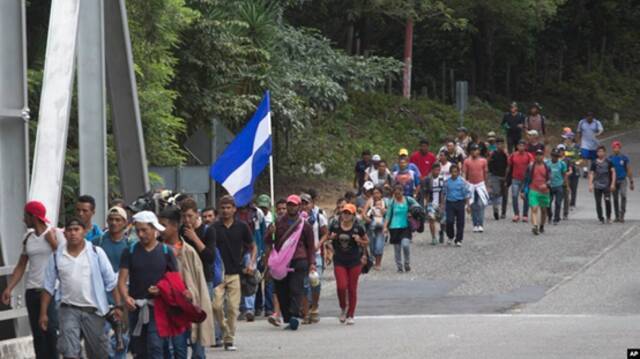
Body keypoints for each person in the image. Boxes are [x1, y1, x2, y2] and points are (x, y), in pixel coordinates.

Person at [40, 217, 118, 359]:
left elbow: (111, 282)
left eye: (76, 230)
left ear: (83, 232)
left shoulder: (96, 253)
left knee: (98, 353)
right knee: (69, 352)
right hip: (68, 309)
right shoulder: (57, 256)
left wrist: (119, 306)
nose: (73, 233)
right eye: (69, 230)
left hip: (94, 311)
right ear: (64, 234)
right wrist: (43, 313)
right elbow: (48, 286)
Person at [2, 201, 64, 359]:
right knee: (38, 335)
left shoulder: (55, 233)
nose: (23, 220)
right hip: (32, 291)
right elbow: (21, 265)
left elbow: (65, 259)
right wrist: (9, 288)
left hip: (50, 291)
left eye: (25, 216)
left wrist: (52, 243)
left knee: (51, 332)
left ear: (34, 217)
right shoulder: (28, 237)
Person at [118, 211, 179, 358]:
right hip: (136, 307)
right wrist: (126, 298)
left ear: (154, 229)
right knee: (139, 350)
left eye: (144, 230)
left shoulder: (166, 252)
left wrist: (161, 289)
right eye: (138, 230)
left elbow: (176, 282)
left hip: (158, 307)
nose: (140, 234)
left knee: (155, 346)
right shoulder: (130, 251)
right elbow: (121, 280)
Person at [158, 207, 214, 359]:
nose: (160, 230)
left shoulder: (188, 251)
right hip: (165, 307)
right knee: (170, 349)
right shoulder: (156, 250)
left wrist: (191, 294)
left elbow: (198, 282)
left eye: (163, 225)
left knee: (193, 348)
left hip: (187, 307)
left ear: (175, 226)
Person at [210, 195, 256, 350]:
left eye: (228, 207)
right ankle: (225, 331)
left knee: (232, 308)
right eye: (222, 208)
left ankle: (229, 340)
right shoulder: (213, 228)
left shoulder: (242, 227)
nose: (225, 210)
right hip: (218, 275)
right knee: (216, 306)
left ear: (234, 209)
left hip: (235, 274)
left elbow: (252, 246)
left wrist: (251, 263)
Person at [268, 195, 315, 331]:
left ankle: (294, 316)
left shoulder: (304, 225)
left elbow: (310, 245)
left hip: (299, 259)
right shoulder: (277, 222)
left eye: (294, 205)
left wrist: (311, 262)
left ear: (299, 206)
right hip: (281, 261)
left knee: (296, 289)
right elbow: (269, 240)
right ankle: (287, 317)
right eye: (289, 205)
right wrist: (270, 233)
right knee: (282, 290)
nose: (291, 207)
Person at [95, 206, 135, 358]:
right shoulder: (97, 243)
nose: (114, 223)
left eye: (118, 220)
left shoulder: (130, 245)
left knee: (121, 340)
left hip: (123, 298)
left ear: (125, 223)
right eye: (111, 219)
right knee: (102, 338)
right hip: (101, 300)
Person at [320, 204, 368, 325]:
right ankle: (343, 307)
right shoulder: (335, 226)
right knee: (341, 286)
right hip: (339, 260)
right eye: (344, 213)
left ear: (353, 215)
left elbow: (367, 241)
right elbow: (327, 237)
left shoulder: (358, 227)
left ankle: (351, 314)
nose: (346, 215)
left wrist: (359, 240)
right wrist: (330, 238)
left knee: (352, 288)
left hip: (354, 261)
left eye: (349, 213)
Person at [300, 193, 328, 325]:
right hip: (302, 254)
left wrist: (319, 244)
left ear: (312, 204)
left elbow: (325, 233)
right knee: (304, 284)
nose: (304, 206)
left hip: (315, 254)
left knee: (315, 281)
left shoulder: (318, 217)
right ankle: (306, 310)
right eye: (302, 203)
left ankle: (314, 307)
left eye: (307, 203)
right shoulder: (297, 218)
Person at [383, 184, 419, 272]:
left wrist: (412, 212)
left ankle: (407, 263)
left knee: (405, 245)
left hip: (405, 226)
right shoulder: (392, 202)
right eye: (395, 194)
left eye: (399, 193)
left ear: (402, 192)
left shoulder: (408, 199)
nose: (397, 195)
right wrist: (385, 227)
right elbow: (388, 215)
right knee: (397, 249)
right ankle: (399, 266)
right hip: (394, 227)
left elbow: (418, 207)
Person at [522, 149, 551, 235]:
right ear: (535, 156)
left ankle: (541, 225)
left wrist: (546, 185)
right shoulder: (531, 166)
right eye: (537, 155)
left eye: (541, 155)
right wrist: (523, 191)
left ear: (543, 156)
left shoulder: (547, 167)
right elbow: (526, 179)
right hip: (533, 190)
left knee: (544, 210)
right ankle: (535, 226)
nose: (539, 157)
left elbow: (550, 179)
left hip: (544, 191)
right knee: (534, 208)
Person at [442, 165, 470, 246]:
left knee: (460, 222)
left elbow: (466, 194)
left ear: (458, 172)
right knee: (449, 221)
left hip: (460, 202)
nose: (454, 173)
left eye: (456, 172)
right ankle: (450, 236)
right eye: (452, 172)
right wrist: (442, 204)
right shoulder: (447, 182)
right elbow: (443, 193)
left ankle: (459, 239)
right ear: (450, 172)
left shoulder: (462, 182)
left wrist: (468, 205)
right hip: (450, 203)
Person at [463, 144, 489, 233]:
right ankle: (475, 224)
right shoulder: (466, 161)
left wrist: (486, 185)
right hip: (471, 184)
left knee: (481, 204)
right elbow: (464, 174)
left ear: (479, 151)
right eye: (473, 150)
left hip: (481, 184)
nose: (475, 152)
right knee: (473, 205)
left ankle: (480, 224)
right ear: (470, 152)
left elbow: (485, 173)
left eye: (476, 150)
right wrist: (465, 185)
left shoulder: (483, 161)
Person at [507, 140, 534, 222]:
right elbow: (509, 165)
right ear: (517, 146)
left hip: (525, 180)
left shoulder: (529, 155)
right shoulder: (513, 155)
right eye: (520, 145)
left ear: (525, 147)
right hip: (515, 178)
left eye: (523, 145)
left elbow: (532, 166)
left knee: (526, 197)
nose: (521, 147)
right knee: (514, 196)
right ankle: (516, 214)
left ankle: (525, 215)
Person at [589, 146, 616, 224]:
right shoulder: (594, 162)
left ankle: (608, 217)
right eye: (598, 152)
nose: (600, 153)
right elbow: (591, 173)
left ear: (604, 152)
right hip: (597, 185)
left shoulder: (609, 161)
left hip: (606, 185)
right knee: (598, 202)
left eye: (601, 151)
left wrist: (613, 183)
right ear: (597, 153)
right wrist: (590, 184)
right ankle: (601, 218)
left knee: (607, 201)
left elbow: (613, 172)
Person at [609, 141, 634, 223]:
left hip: (622, 179)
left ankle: (622, 214)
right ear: (612, 148)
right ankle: (617, 216)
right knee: (615, 198)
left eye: (618, 147)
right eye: (614, 147)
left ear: (620, 148)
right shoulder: (610, 158)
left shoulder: (624, 158)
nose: (616, 149)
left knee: (623, 195)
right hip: (614, 180)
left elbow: (629, 169)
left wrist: (631, 181)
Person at [362, 186, 387, 269]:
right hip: (371, 226)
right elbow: (364, 214)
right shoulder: (370, 201)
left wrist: (384, 212)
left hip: (382, 226)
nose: (376, 195)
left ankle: (378, 263)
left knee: (379, 245)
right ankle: (373, 258)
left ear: (381, 194)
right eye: (374, 193)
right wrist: (370, 220)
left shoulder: (385, 202)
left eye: (378, 193)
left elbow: (389, 214)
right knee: (372, 245)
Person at [577, 112, 604, 176]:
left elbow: (601, 130)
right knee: (584, 157)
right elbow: (579, 132)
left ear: (593, 117)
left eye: (591, 117)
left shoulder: (597, 123)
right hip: (585, 143)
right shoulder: (582, 122)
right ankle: (585, 171)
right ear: (586, 117)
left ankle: (592, 171)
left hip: (594, 144)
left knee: (593, 159)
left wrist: (598, 134)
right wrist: (578, 142)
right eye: (588, 117)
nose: (589, 118)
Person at [424, 163, 446, 245]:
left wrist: (443, 204)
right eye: (435, 170)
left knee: (443, 221)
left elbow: (444, 192)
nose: (437, 172)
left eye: (438, 170)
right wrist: (426, 203)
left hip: (441, 203)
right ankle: (433, 237)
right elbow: (425, 193)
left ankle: (441, 232)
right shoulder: (427, 180)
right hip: (431, 203)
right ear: (432, 170)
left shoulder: (442, 179)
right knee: (431, 219)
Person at [488, 138, 509, 220]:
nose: (499, 146)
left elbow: (508, 165)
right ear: (496, 145)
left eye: (501, 144)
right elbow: (488, 163)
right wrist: (490, 176)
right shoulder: (493, 153)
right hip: (495, 176)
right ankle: (495, 209)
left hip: (504, 176)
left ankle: (503, 212)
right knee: (495, 193)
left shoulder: (506, 154)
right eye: (498, 144)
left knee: (505, 195)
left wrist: (507, 177)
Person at [546, 149, 568, 225]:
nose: (555, 157)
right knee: (548, 202)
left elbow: (564, 174)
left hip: (559, 185)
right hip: (549, 186)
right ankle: (549, 216)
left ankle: (556, 218)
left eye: (556, 156)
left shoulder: (562, 164)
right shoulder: (547, 163)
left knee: (558, 203)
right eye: (553, 156)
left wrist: (565, 184)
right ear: (551, 156)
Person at [562, 129, 581, 210]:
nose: (565, 140)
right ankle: (566, 202)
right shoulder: (563, 146)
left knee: (574, 187)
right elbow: (561, 155)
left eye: (566, 138)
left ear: (570, 138)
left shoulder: (576, 146)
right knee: (566, 186)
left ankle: (572, 203)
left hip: (575, 169)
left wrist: (567, 155)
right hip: (565, 169)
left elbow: (578, 157)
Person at [556, 144, 576, 220]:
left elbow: (571, 170)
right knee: (557, 198)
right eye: (559, 150)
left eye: (562, 150)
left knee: (566, 197)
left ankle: (565, 213)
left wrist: (566, 174)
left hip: (565, 180)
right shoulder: (555, 159)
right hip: (556, 180)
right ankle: (556, 213)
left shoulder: (567, 160)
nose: (561, 152)